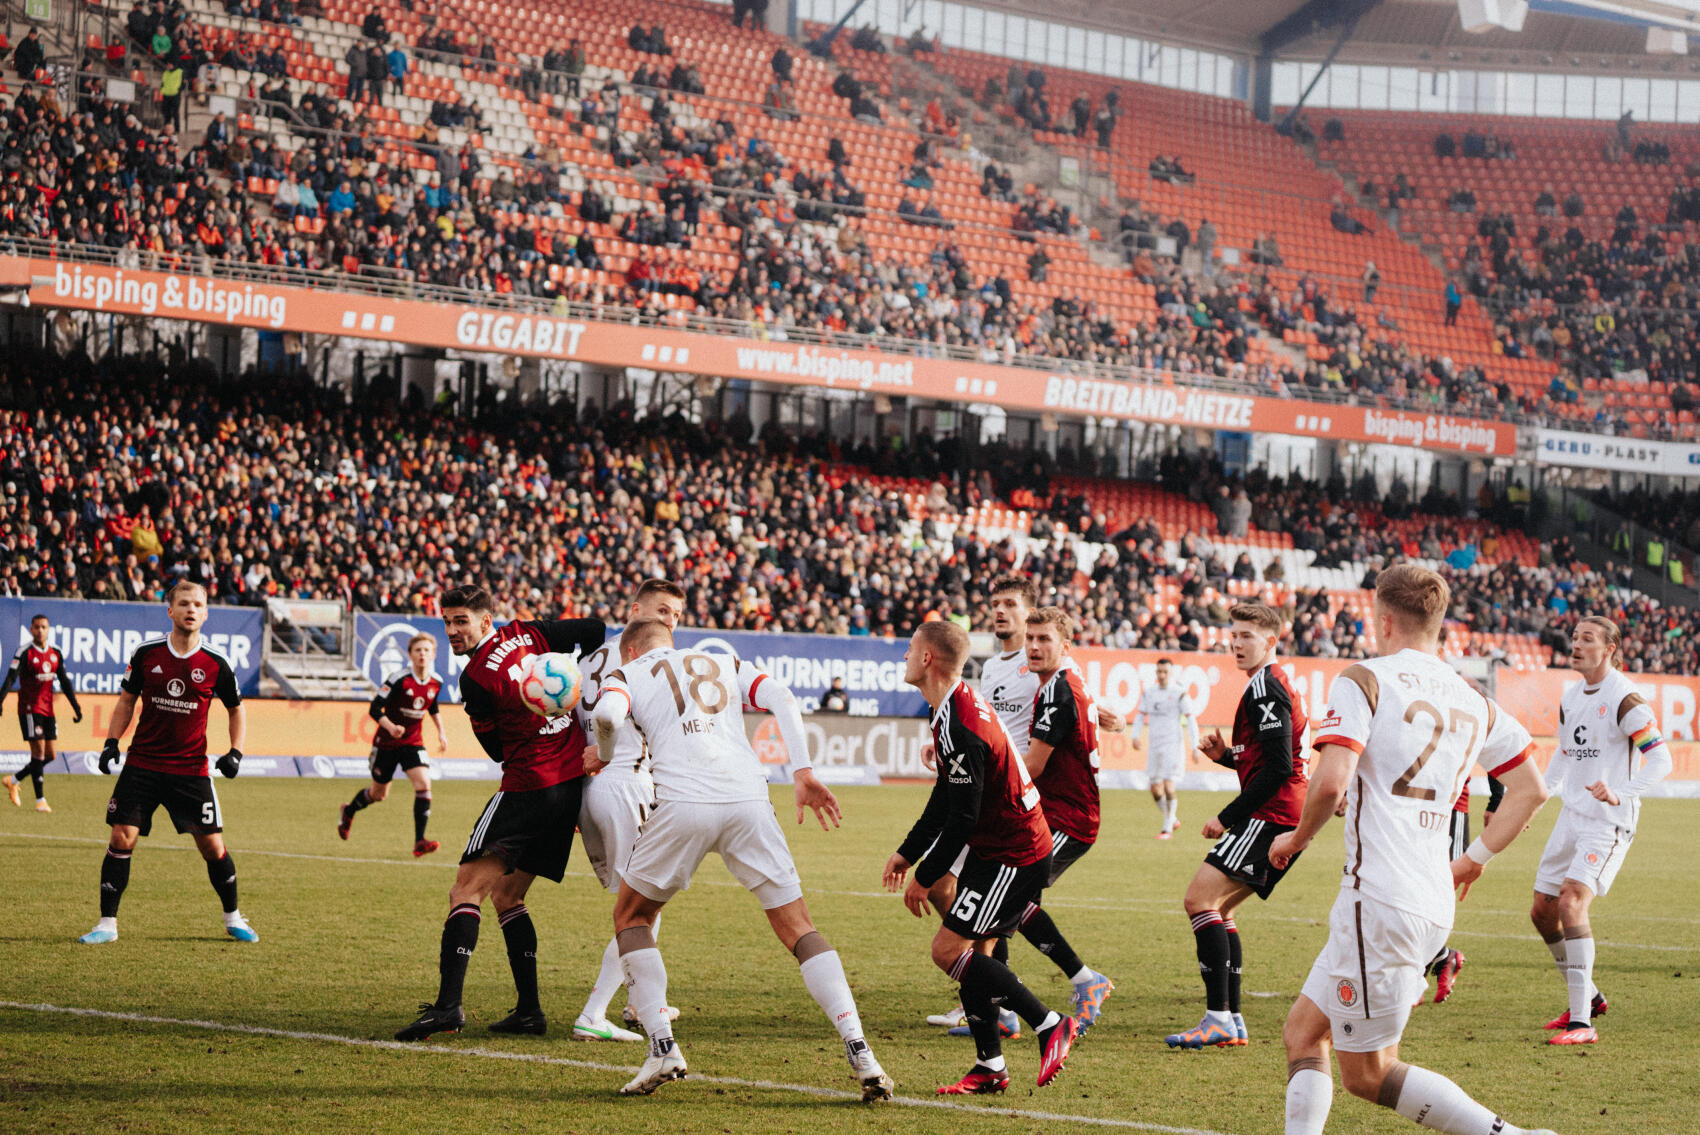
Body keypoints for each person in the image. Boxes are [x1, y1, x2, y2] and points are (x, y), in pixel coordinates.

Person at [1270, 564, 1557, 1135]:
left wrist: (1296, 838)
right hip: (1428, 894)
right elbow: (1532, 788)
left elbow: (1329, 783)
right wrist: (1473, 859)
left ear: (1383, 619)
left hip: (1377, 898)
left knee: (1369, 1074)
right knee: (1303, 1032)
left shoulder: (1364, 678)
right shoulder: (1472, 698)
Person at [592, 618, 892, 1101]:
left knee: (632, 916)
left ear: (629, 650)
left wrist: (604, 755)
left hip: (682, 804)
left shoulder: (626, 674)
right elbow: (783, 698)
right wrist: (803, 771)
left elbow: (607, 716)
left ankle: (663, 1046)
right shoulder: (722, 662)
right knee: (799, 927)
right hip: (749, 800)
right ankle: (860, 1050)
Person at [393, 585, 605, 1042]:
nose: (451, 630)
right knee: (508, 897)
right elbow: (595, 629)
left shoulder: (475, 679)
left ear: (485, 621)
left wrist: (532, 712)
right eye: (446, 621)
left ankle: (448, 1007)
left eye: (460, 621)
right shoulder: (531, 634)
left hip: (528, 788)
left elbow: (494, 751)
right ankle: (529, 1012)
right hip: (568, 788)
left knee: (465, 890)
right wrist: (573, 685)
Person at [885, 620, 1076, 1095]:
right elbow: (946, 796)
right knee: (978, 953)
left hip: (1014, 853)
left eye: (910, 649)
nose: (905, 656)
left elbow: (963, 818)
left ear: (928, 658)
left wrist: (926, 875)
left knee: (948, 951)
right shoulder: (951, 707)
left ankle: (1049, 1023)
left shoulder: (960, 722)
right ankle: (990, 1066)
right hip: (1004, 848)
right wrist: (907, 852)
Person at [1164, 602, 1308, 1049]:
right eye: (1234, 634)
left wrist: (1226, 817)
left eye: (1247, 635)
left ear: (1271, 641)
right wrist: (1228, 757)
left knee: (1198, 900)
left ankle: (1217, 1018)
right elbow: (1268, 758)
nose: (1236, 643)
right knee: (1221, 909)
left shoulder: (1266, 686)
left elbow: (1279, 768)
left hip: (1272, 816)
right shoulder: (1269, 684)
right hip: (1285, 814)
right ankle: (1232, 1019)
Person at [79, 581, 253, 945]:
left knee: (212, 847)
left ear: (205, 613)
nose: (191, 609)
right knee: (121, 837)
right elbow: (126, 701)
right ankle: (106, 924)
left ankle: (233, 917)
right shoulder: (147, 653)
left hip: (190, 769)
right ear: (169, 610)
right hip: (142, 764)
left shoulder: (217, 662)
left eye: (198, 605)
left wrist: (235, 751)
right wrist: (112, 742)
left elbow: (237, 710)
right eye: (184, 603)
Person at [1531, 616, 1671, 1046]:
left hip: (1607, 821)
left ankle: (1581, 1024)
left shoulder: (1626, 699)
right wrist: (1539, 795)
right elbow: (1565, 753)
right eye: (1574, 637)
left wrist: (1620, 793)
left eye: (1587, 639)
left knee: (1572, 903)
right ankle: (1589, 998)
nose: (1576, 644)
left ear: (1610, 648)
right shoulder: (1571, 696)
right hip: (1571, 816)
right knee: (1542, 911)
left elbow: (1660, 760)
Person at [569, 579, 686, 1043]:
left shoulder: (587, 662)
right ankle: (594, 1013)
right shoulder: (651, 662)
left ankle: (641, 1001)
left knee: (640, 905)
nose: (669, 621)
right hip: (626, 785)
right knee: (640, 909)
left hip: (594, 791)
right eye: (661, 611)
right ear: (635, 608)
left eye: (675, 614)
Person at [1018, 608, 1115, 1026]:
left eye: (1045, 640)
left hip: (1068, 819)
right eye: (1031, 639)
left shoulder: (1059, 688)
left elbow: (1034, 766)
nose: (1035, 647)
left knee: (1007, 898)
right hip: (1055, 814)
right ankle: (1002, 1003)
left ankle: (1084, 980)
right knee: (1010, 900)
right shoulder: (1065, 682)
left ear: (1065, 647)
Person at [337, 633, 446, 855]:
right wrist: (391, 727)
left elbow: (432, 707)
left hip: (413, 742)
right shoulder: (398, 679)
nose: (422, 654)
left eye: (426, 650)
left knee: (424, 783)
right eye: (418, 650)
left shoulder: (436, 682)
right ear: (410, 655)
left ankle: (419, 842)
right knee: (379, 794)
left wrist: (441, 733)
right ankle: (349, 810)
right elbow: (375, 708)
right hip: (386, 743)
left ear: (433, 654)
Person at [1, 613, 83, 812]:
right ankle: (40, 800)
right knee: (37, 752)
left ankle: (13, 779)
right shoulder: (24, 652)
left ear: (48, 629)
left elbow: (64, 681)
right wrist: (0, 700)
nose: (40, 630)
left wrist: (76, 706)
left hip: (48, 709)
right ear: (31, 629)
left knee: (50, 755)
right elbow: (11, 678)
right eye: (36, 627)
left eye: (44, 627)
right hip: (29, 708)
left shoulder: (55, 652)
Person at [1133, 657, 1198, 839]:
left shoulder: (1179, 693)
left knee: (1169, 786)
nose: (1161, 675)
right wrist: (1135, 735)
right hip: (1155, 745)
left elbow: (1191, 719)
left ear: (1171, 673)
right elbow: (1140, 715)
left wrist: (1195, 746)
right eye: (1159, 672)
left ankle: (1167, 829)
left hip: (1173, 745)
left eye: (1165, 672)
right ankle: (1172, 819)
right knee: (1154, 788)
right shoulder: (1150, 692)